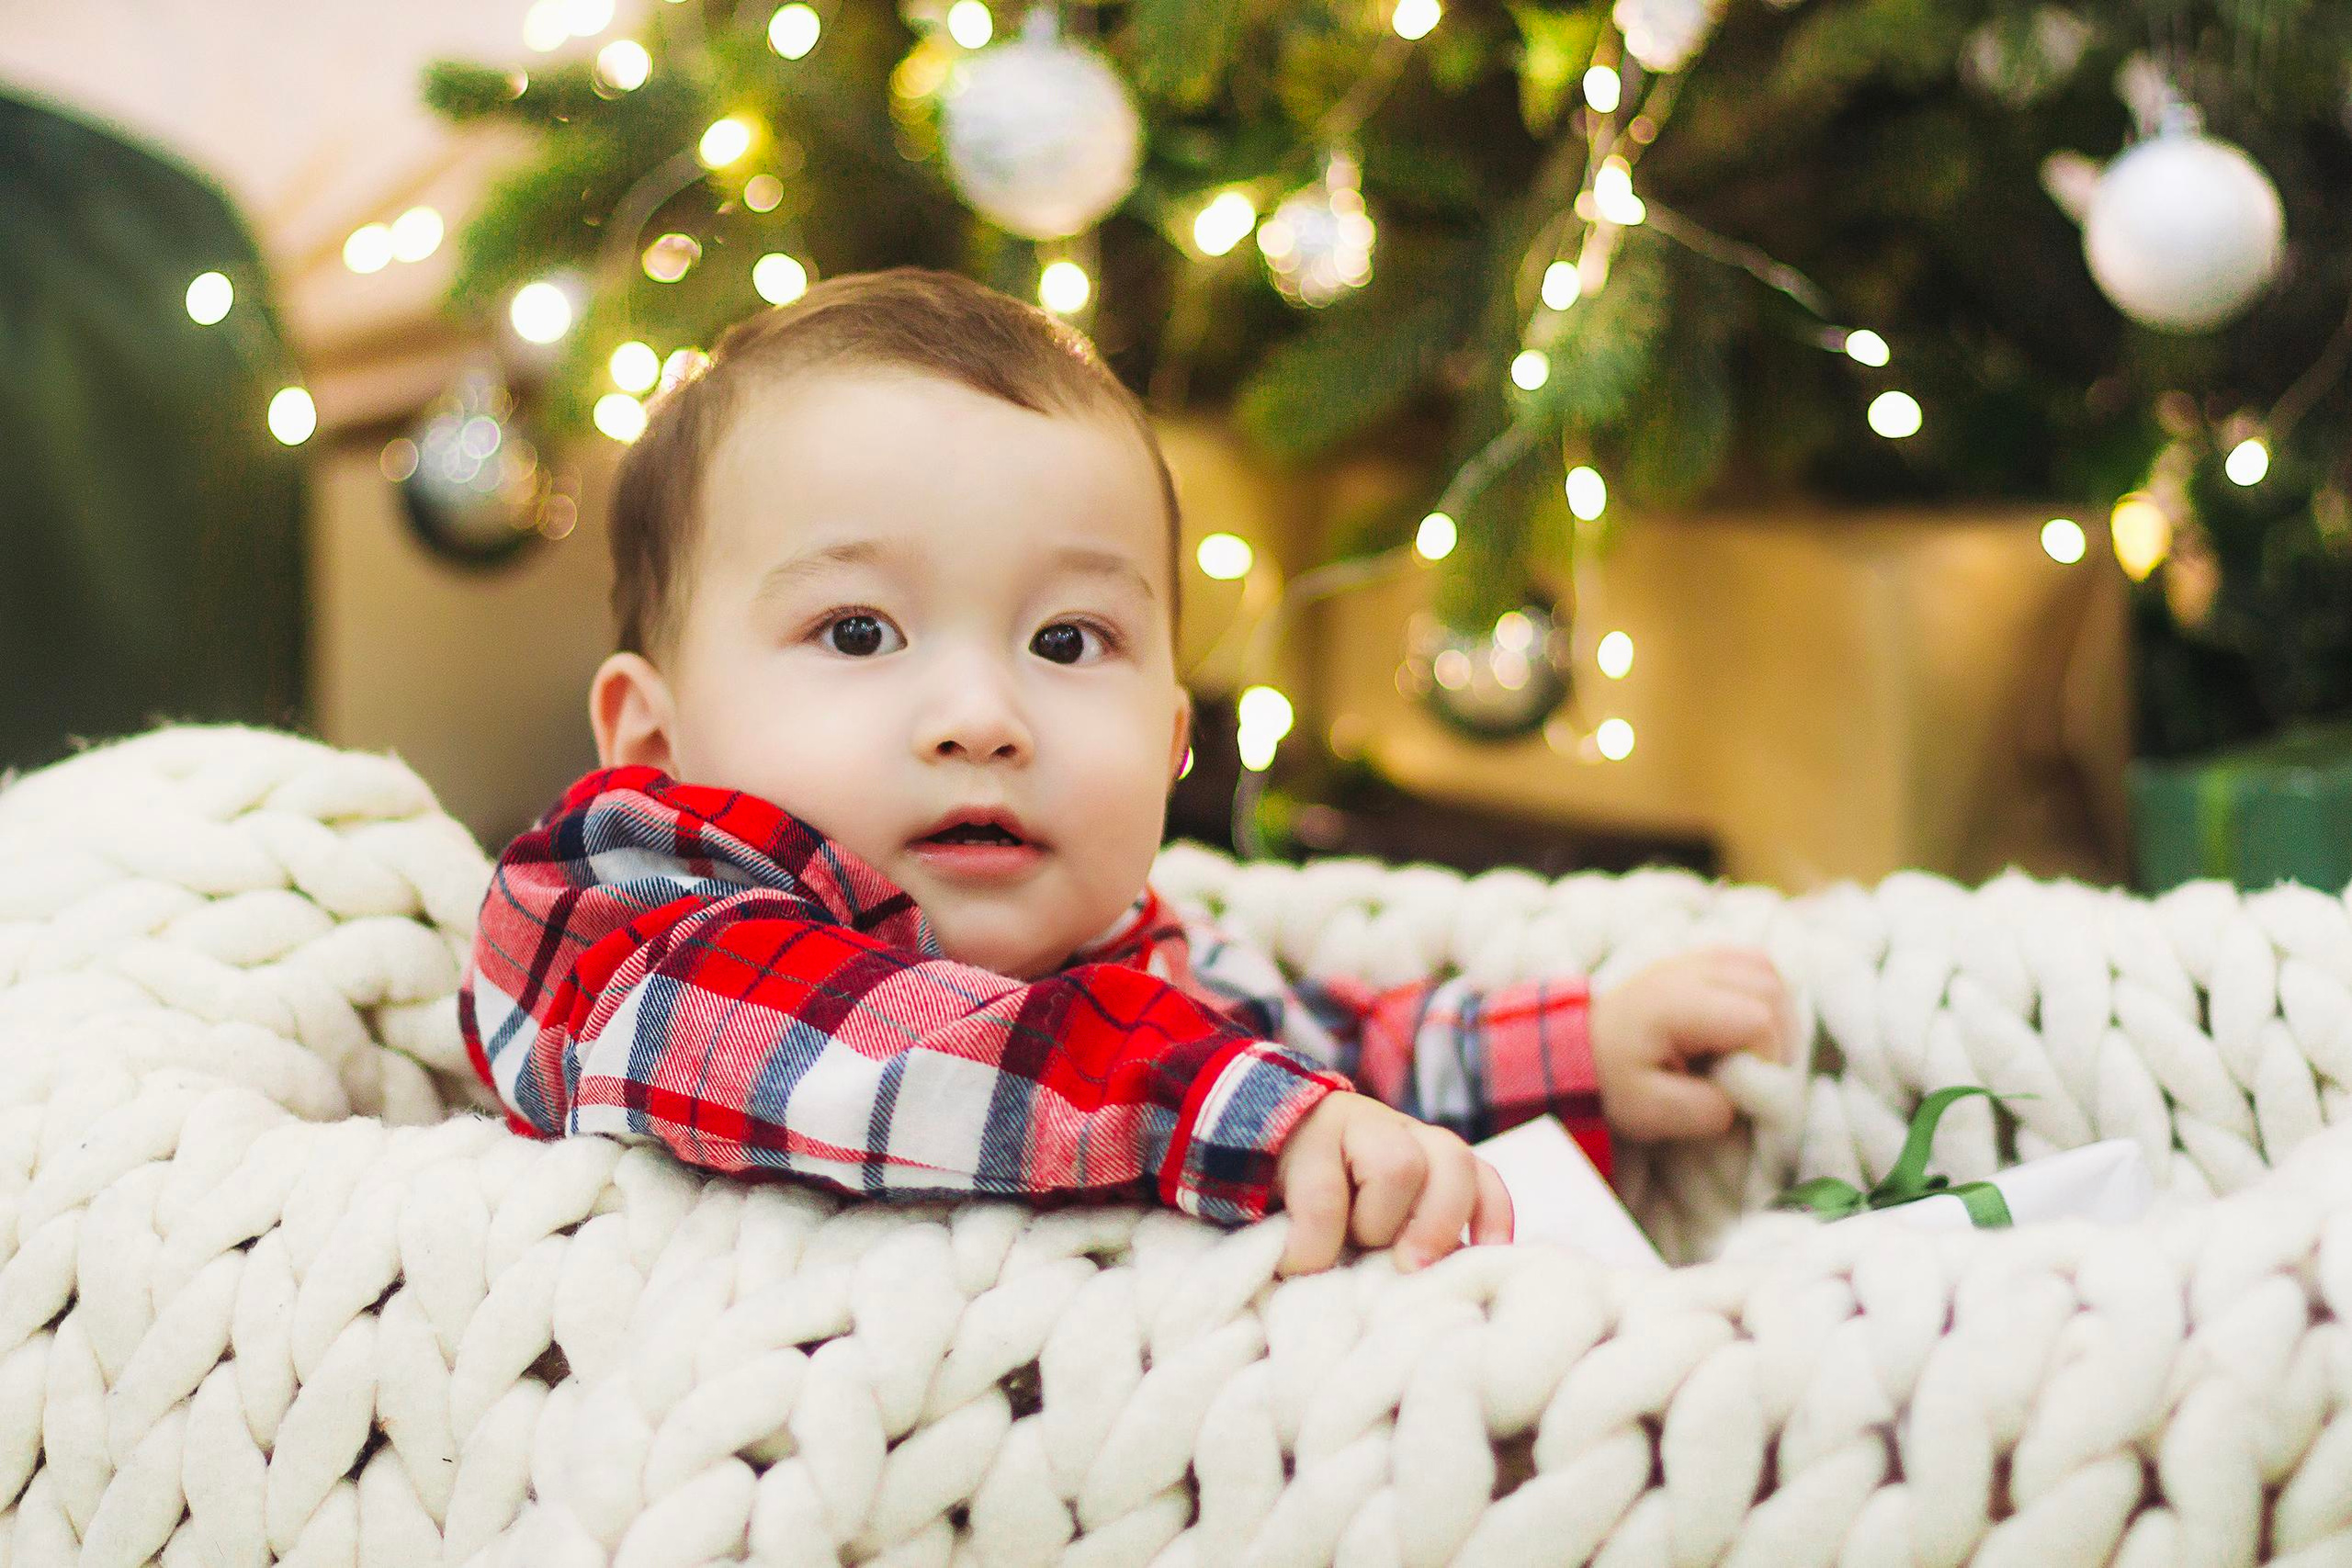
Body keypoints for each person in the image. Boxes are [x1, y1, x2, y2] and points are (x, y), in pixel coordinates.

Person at [459, 268, 1792, 1277]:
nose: (983, 717)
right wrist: (1238, 1115)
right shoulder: (634, 930)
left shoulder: (1123, 965)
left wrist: (1572, 1052)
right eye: (859, 631)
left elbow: (1320, 1049)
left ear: (1169, 742)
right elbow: (882, 1055)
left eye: (1067, 640)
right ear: (653, 742)